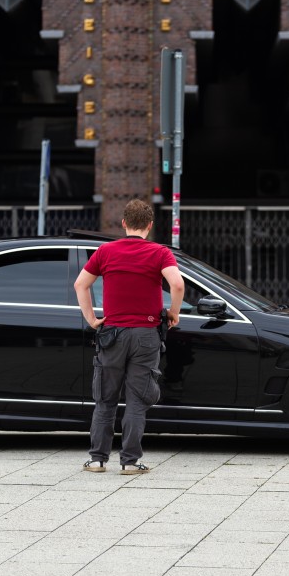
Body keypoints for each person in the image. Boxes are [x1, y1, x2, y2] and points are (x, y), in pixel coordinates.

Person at [74, 199, 184, 475]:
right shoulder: (160, 253)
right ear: (149, 225)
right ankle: (130, 462)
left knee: (106, 399)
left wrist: (91, 319)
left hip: (111, 334)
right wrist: (173, 312)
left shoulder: (106, 251)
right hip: (145, 335)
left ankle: (98, 460)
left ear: (123, 223)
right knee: (136, 400)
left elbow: (80, 284)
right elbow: (178, 283)